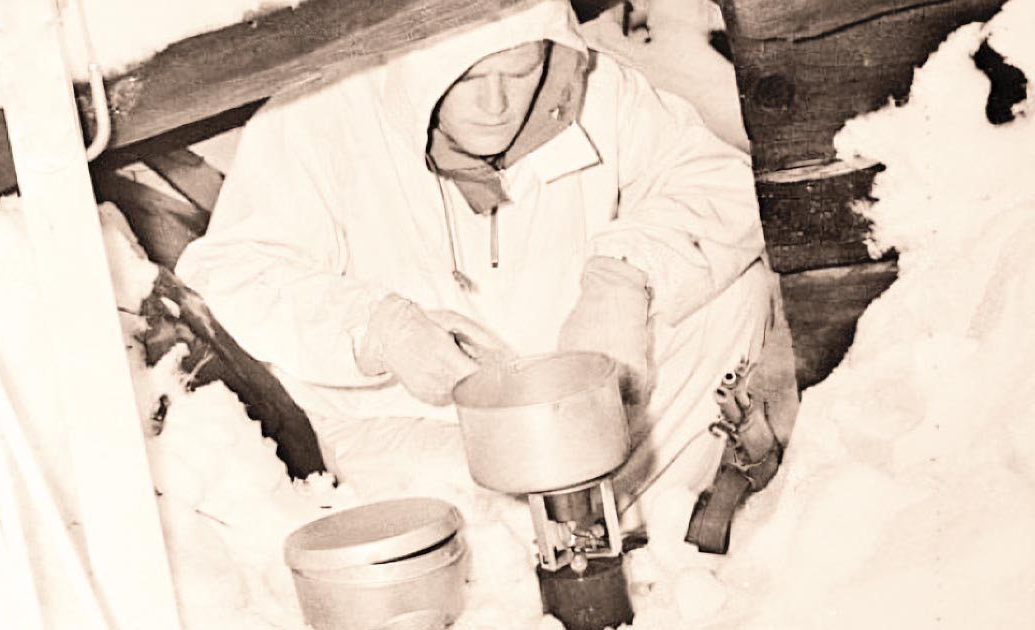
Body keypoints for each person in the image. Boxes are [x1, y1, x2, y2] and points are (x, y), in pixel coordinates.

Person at [176, 0, 771, 537]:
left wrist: (623, 276)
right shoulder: (317, 118)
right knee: (469, 515)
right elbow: (232, 271)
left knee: (729, 289)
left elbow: (718, 183)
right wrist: (378, 330)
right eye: (467, 80)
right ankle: (577, 529)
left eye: (518, 73)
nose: (497, 105)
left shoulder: (593, 89)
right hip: (418, 424)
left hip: (578, 402)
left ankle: (648, 513)